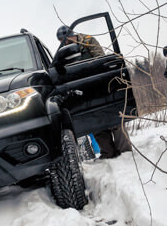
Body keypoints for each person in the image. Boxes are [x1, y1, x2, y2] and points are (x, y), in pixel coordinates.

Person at [56, 25, 132, 158]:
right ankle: (108, 153)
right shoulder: (63, 52)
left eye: (67, 40)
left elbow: (99, 58)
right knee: (95, 121)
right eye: (63, 41)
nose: (66, 44)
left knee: (115, 117)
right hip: (84, 90)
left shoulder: (88, 41)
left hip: (101, 83)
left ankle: (125, 151)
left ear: (72, 35)